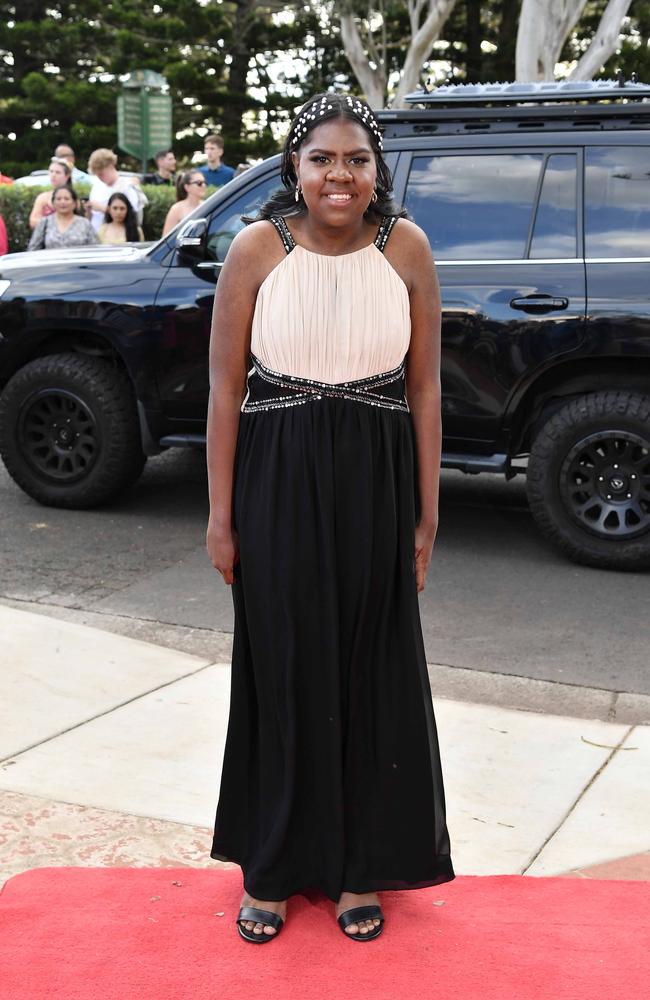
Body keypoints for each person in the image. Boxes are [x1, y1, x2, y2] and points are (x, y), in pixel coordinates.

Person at [205, 92, 454, 945]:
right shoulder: (256, 249)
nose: (338, 176)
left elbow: (425, 389)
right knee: (282, 663)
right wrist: (219, 516)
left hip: (377, 477)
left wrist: (425, 515)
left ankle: (358, 870)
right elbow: (225, 390)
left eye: (355, 160)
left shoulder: (408, 248)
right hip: (275, 475)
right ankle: (270, 870)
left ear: (376, 169)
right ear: (294, 169)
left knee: (367, 668)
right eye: (321, 160)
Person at [86, 148, 142, 232]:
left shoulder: (127, 186)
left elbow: (133, 216)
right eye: (97, 175)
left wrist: (103, 208)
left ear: (111, 166)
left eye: (101, 174)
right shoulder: (96, 186)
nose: (99, 178)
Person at [27, 185, 98, 250]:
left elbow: (95, 248)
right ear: (53, 203)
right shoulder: (45, 222)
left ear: (74, 203)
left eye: (66, 199)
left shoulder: (84, 223)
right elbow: (33, 248)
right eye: (58, 199)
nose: (62, 202)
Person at [28, 157, 73, 229]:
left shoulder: (73, 198)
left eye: (58, 172)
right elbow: (33, 221)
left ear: (67, 175)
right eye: (51, 171)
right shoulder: (43, 197)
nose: (53, 175)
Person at [161, 169, 207, 236]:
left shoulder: (206, 205)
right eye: (199, 183)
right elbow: (165, 239)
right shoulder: (176, 209)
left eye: (204, 182)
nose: (203, 185)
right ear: (187, 187)